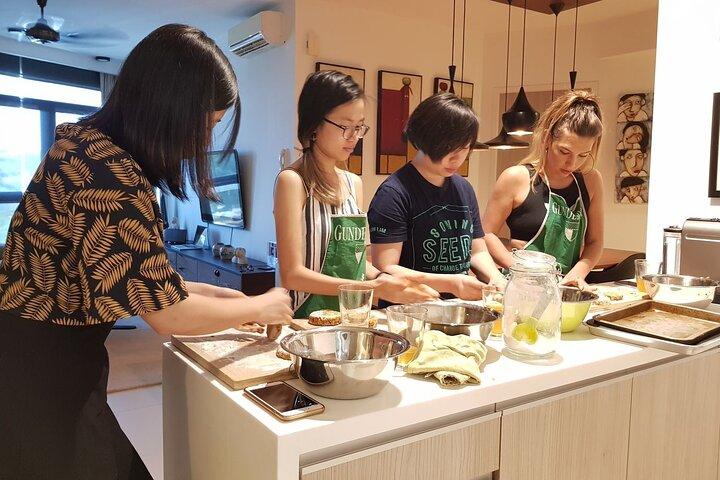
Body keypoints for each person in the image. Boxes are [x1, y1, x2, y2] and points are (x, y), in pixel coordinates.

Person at [0, 24, 293, 480]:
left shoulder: (85, 149)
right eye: (208, 125)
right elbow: (167, 315)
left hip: (37, 357)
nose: (204, 142)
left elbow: (147, 282)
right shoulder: (111, 174)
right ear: (172, 108)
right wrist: (262, 301)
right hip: (43, 373)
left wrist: (229, 299)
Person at [274, 70, 438, 318]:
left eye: (359, 127)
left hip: (352, 316)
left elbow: (358, 263)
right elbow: (292, 274)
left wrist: (388, 280)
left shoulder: (354, 183)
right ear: (314, 124)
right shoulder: (293, 181)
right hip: (305, 321)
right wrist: (372, 289)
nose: (354, 137)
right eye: (344, 126)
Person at [367, 93, 506, 303]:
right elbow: (385, 269)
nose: (457, 159)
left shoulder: (464, 188)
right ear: (426, 140)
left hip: (458, 305)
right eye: (449, 149)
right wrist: (453, 283)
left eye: (465, 149)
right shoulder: (393, 193)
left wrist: (495, 278)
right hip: (410, 309)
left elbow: (476, 251)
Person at [482, 90, 605, 290]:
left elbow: (595, 241)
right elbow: (486, 234)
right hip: (521, 287)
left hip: (565, 288)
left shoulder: (591, 181)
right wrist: (521, 268)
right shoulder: (517, 178)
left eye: (583, 155)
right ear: (547, 138)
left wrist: (577, 274)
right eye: (564, 151)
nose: (572, 163)